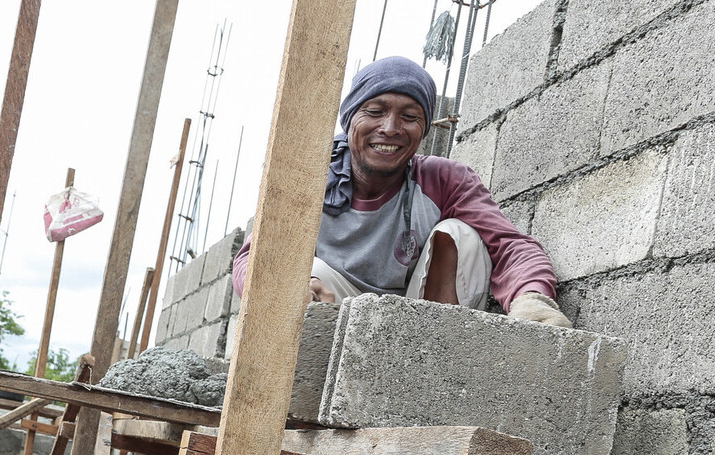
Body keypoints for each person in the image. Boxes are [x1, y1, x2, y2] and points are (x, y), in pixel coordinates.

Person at [231, 55, 572, 327]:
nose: (390, 128)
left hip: (409, 320)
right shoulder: (309, 177)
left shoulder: (444, 179)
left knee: (458, 235)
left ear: (423, 128)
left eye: (409, 116)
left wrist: (533, 301)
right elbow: (251, 257)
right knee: (301, 270)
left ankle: (433, 363)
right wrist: (281, 291)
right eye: (375, 112)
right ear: (351, 120)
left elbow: (512, 247)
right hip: (331, 319)